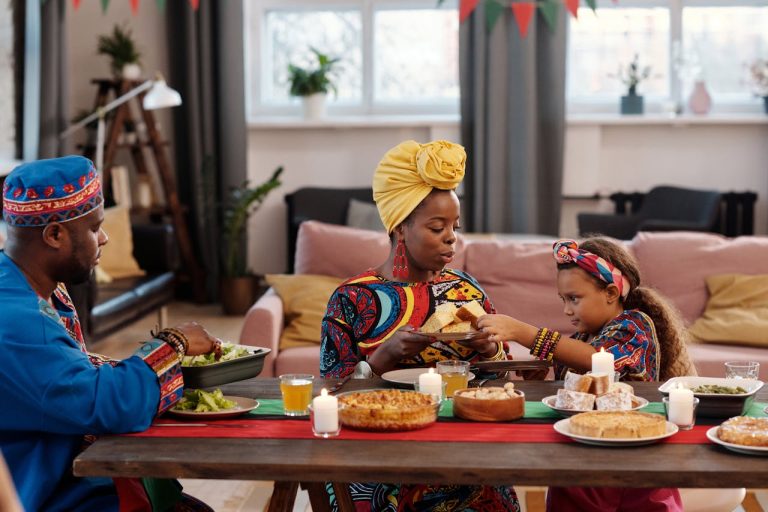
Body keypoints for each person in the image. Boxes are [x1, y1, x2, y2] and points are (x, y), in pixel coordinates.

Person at [0, 156, 221, 511]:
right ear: (54, 234)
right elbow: (107, 405)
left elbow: (67, 374)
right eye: (93, 228)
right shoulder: (19, 321)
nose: (103, 238)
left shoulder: (21, 283)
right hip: (46, 490)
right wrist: (173, 344)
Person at [320, 140, 518, 511]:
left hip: (467, 452)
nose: (451, 237)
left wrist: (491, 349)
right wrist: (383, 358)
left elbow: (505, 382)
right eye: (436, 226)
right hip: (380, 457)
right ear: (400, 229)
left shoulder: (465, 290)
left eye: (455, 226)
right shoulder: (352, 299)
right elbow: (328, 396)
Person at [478, 238, 696, 512]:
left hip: (631, 463)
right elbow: (578, 388)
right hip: (581, 458)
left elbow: (597, 359)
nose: (567, 309)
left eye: (574, 298)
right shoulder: (582, 336)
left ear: (611, 293)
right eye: (563, 299)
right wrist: (538, 377)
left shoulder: (634, 326)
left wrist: (525, 333)